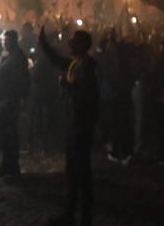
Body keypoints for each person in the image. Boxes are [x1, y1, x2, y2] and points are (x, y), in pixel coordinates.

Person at [39, 25, 99, 226]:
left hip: (81, 125)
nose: (69, 43)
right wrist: (44, 45)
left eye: (73, 40)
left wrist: (67, 87)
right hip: (74, 123)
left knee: (82, 172)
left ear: (81, 45)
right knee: (72, 171)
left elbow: (87, 97)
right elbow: (57, 60)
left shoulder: (86, 68)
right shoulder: (75, 63)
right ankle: (70, 213)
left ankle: (84, 217)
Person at [0, 29, 30, 177]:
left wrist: (19, 97)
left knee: (8, 132)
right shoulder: (11, 56)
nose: (4, 43)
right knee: (5, 132)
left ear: (13, 41)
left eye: (7, 41)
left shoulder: (17, 57)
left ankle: (11, 165)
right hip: (6, 98)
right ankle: (7, 164)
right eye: (4, 41)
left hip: (10, 100)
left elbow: (20, 80)